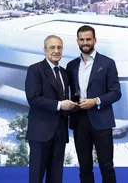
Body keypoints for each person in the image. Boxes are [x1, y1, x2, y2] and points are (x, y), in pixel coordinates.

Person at [66, 25, 122, 183]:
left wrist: (95, 101)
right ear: (77, 41)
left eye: (88, 39)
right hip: (79, 122)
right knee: (84, 167)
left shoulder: (108, 63)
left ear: (95, 41)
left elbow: (116, 92)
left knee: (106, 166)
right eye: (82, 39)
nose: (85, 42)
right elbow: (70, 92)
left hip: (102, 121)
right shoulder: (71, 66)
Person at [25, 35, 77, 183]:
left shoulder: (64, 73)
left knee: (56, 177)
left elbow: (65, 99)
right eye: (52, 47)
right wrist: (60, 105)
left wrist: (75, 106)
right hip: (40, 133)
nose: (56, 51)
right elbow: (33, 99)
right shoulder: (35, 69)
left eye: (59, 47)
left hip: (60, 133)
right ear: (45, 50)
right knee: (36, 177)